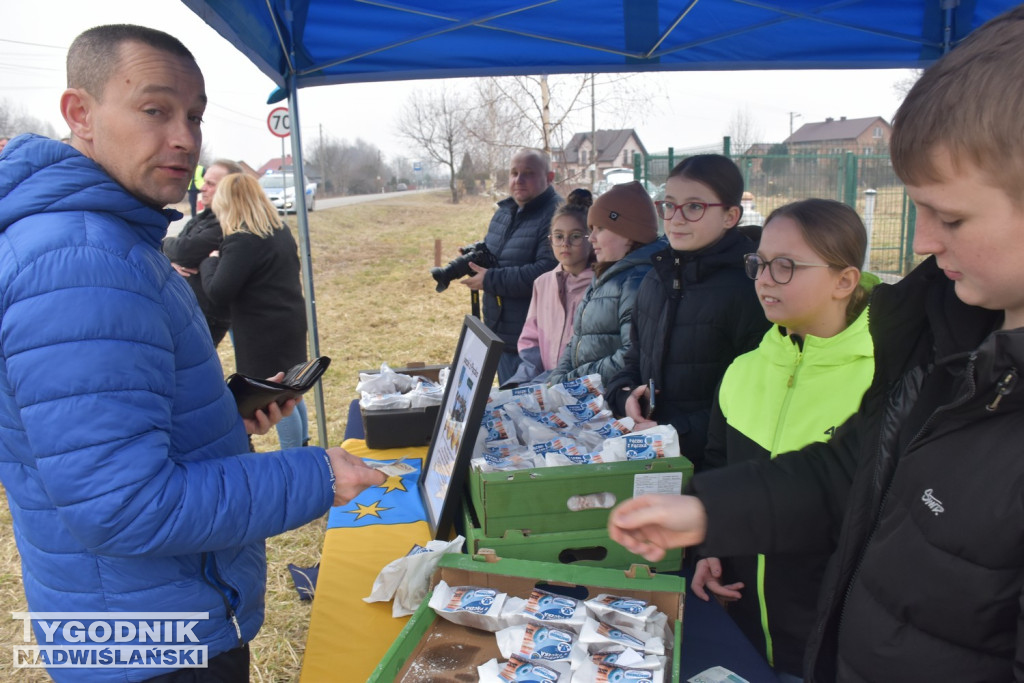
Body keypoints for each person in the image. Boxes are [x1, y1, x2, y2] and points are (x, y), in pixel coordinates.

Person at [608, 6, 1024, 681]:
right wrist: (707, 510)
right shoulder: (943, 344)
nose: (921, 243)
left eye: (951, 216)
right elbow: (844, 475)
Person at [0, 24, 382, 682]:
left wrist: (220, 419)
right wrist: (316, 474)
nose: (183, 137)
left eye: (194, 116)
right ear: (79, 113)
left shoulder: (113, 241)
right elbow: (123, 504)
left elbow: (104, 433)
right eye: (154, 110)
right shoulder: (81, 262)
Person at [694, 199, 876, 682]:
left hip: (833, 651)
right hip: (743, 634)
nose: (764, 279)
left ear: (845, 280)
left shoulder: (884, 382)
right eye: (759, 263)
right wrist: (710, 545)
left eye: (786, 266)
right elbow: (717, 467)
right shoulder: (743, 370)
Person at [605, 155, 769, 472]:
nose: (676, 219)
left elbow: (752, 399)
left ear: (730, 216)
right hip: (653, 456)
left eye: (694, 207)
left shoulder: (749, 291)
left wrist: (672, 434)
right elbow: (633, 361)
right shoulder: (655, 279)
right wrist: (625, 397)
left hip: (714, 471)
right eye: (669, 204)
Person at [200, 173, 311, 450]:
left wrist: (209, 263)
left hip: (263, 333)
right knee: (291, 390)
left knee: (274, 397)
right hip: (289, 322)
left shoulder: (242, 240)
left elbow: (219, 292)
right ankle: (304, 448)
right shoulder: (278, 230)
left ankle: (295, 458)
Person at [548, 181, 663, 387]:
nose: (591, 238)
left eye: (600, 229)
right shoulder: (606, 272)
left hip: (609, 401)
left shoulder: (636, 283)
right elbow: (577, 338)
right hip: (582, 392)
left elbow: (629, 356)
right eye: (591, 229)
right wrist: (559, 378)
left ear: (629, 234)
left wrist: (571, 381)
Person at [461, 147, 560, 384]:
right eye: (514, 173)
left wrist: (490, 279)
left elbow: (545, 272)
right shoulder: (504, 212)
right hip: (500, 334)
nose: (519, 180)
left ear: (549, 178)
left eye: (528, 173)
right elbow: (501, 253)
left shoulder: (557, 216)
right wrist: (476, 255)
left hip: (532, 344)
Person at [504, 188, 595, 386]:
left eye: (576, 236)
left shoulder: (599, 290)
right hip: (543, 391)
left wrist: (543, 383)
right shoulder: (542, 284)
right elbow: (531, 343)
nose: (565, 244)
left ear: (591, 239)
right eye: (559, 236)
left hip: (579, 392)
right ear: (550, 240)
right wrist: (521, 383)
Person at [162, 158, 242, 344]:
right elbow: (178, 251)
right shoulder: (204, 217)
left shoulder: (228, 223)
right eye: (204, 182)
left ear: (229, 188)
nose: (202, 188)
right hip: (187, 308)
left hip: (207, 315)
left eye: (210, 184)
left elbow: (183, 251)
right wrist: (171, 259)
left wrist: (172, 250)